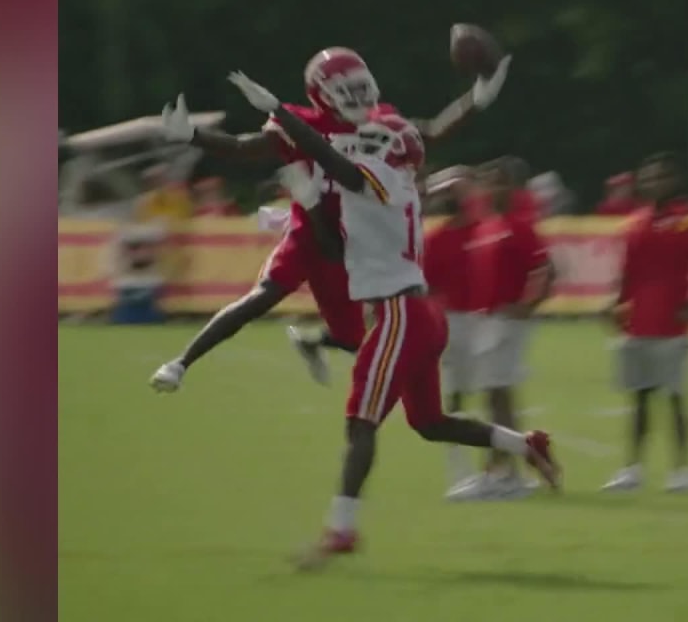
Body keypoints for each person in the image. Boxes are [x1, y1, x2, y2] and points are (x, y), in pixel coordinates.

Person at [221, 71, 560, 567]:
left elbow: (330, 157)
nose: (366, 138)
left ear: (394, 153)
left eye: (378, 140)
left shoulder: (380, 177)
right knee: (429, 422)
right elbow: (330, 216)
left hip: (401, 313)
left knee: (361, 424)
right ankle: (525, 444)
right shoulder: (393, 177)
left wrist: (278, 108)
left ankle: (341, 530)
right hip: (419, 312)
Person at [150, 48, 512, 390]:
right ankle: (180, 363)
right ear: (321, 95)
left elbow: (431, 131)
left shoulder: (381, 124)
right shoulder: (301, 123)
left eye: (360, 87)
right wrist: (192, 135)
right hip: (310, 230)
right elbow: (244, 148)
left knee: (354, 339)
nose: (358, 98)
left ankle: (314, 343)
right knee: (264, 296)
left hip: (354, 243)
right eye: (346, 90)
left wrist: (477, 96)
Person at [602, 152, 688, 493]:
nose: (654, 183)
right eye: (648, 177)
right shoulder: (636, 222)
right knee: (640, 399)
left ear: (673, 181)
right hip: (637, 325)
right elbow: (627, 275)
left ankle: (682, 470)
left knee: (675, 398)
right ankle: (632, 469)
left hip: (673, 326)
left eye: (661, 177)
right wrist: (614, 305)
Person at [446, 157, 556, 500]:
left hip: (505, 322)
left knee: (497, 395)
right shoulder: (486, 224)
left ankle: (502, 474)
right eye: (488, 181)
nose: (491, 188)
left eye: (499, 181)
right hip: (486, 319)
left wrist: (526, 306)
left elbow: (547, 269)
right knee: (496, 394)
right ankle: (509, 470)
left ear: (513, 187)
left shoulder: (518, 225)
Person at [420, 166, 484, 488]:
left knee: (493, 393)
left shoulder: (485, 230)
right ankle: (459, 467)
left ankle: (497, 469)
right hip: (454, 323)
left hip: (486, 320)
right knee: (456, 397)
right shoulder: (436, 239)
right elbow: (426, 287)